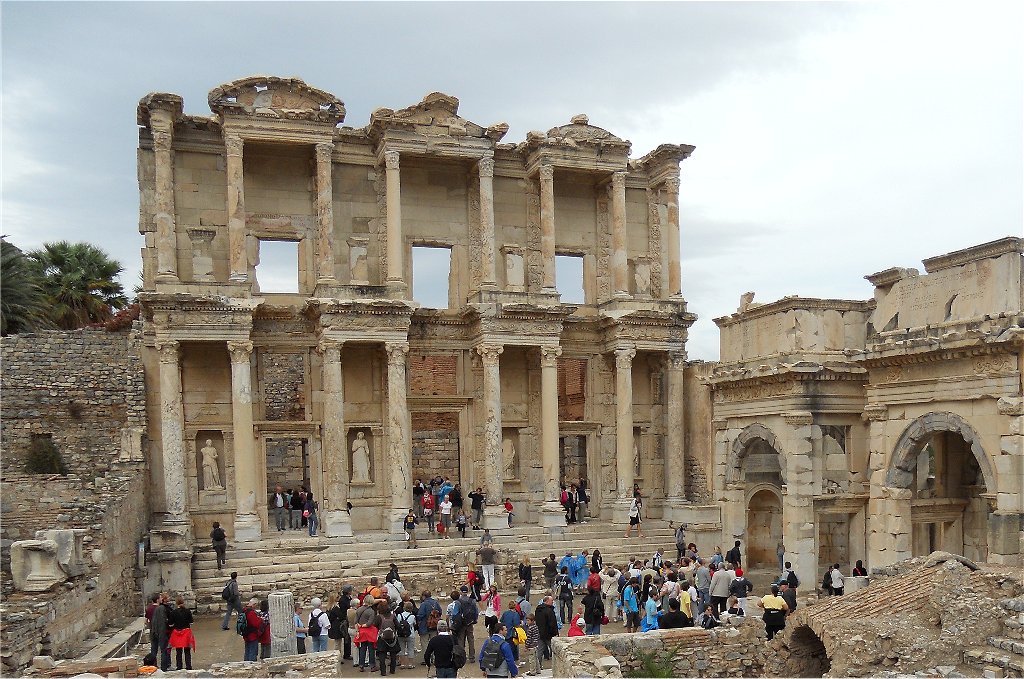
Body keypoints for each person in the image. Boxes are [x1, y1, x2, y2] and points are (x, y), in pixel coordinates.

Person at [452, 586, 480, 658]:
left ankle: (461, 656)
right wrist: (474, 620)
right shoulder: (472, 601)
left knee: (461, 640)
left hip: (461, 624)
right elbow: (476, 612)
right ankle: (472, 656)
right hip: (470, 622)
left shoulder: (458, 602)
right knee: (471, 639)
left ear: (461, 592)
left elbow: (455, 614)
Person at [375, 600, 400, 676]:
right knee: (393, 654)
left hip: (382, 638)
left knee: (382, 654)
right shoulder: (393, 616)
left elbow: (375, 626)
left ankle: (383, 671)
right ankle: (392, 670)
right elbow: (398, 626)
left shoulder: (379, 617)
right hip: (392, 638)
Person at [354, 594, 379, 672]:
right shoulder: (371, 611)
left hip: (361, 631)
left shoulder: (358, 609)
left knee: (362, 648)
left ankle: (361, 665)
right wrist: (364, 625)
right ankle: (372, 665)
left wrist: (358, 628)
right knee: (371, 649)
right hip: (369, 632)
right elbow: (370, 623)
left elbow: (355, 621)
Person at [417, 590, 442, 661]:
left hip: (424, 626)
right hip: (434, 626)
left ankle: (427, 659)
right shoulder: (435, 603)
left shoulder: (424, 604)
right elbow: (440, 612)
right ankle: (434, 658)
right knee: (434, 642)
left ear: (424, 596)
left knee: (425, 643)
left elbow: (420, 615)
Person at [534, 596, 558, 669]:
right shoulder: (549, 611)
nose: (552, 602)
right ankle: (556, 667)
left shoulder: (538, 610)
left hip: (540, 633)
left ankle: (537, 667)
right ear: (547, 601)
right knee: (555, 650)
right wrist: (555, 633)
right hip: (549, 634)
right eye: (551, 601)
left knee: (540, 651)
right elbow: (552, 624)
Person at [150, 592, 172, 671]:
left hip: (154, 631)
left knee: (154, 650)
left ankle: (152, 666)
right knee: (164, 650)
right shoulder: (162, 608)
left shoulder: (156, 608)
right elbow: (163, 622)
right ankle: (164, 667)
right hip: (161, 632)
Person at [397, 601, 418, 670]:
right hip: (410, 634)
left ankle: (402, 664)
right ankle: (410, 664)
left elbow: (397, 624)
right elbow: (414, 624)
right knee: (411, 649)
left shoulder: (399, 615)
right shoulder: (412, 616)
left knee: (402, 649)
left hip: (400, 634)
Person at [335, 585, 354, 660]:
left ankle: (347, 653)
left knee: (348, 638)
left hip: (347, 618)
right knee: (347, 637)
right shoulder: (343, 600)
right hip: (345, 619)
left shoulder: (347, 598)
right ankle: (346, 654)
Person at [242, 598, 262, 662]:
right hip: (252, 635)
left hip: (246, 634)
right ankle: (251, 665)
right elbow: (255, 624)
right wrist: (260, 619)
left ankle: (246, 663)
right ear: (254, 604)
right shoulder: (251, 613)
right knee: (252, 651)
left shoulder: (244, 610)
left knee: (247, 650)